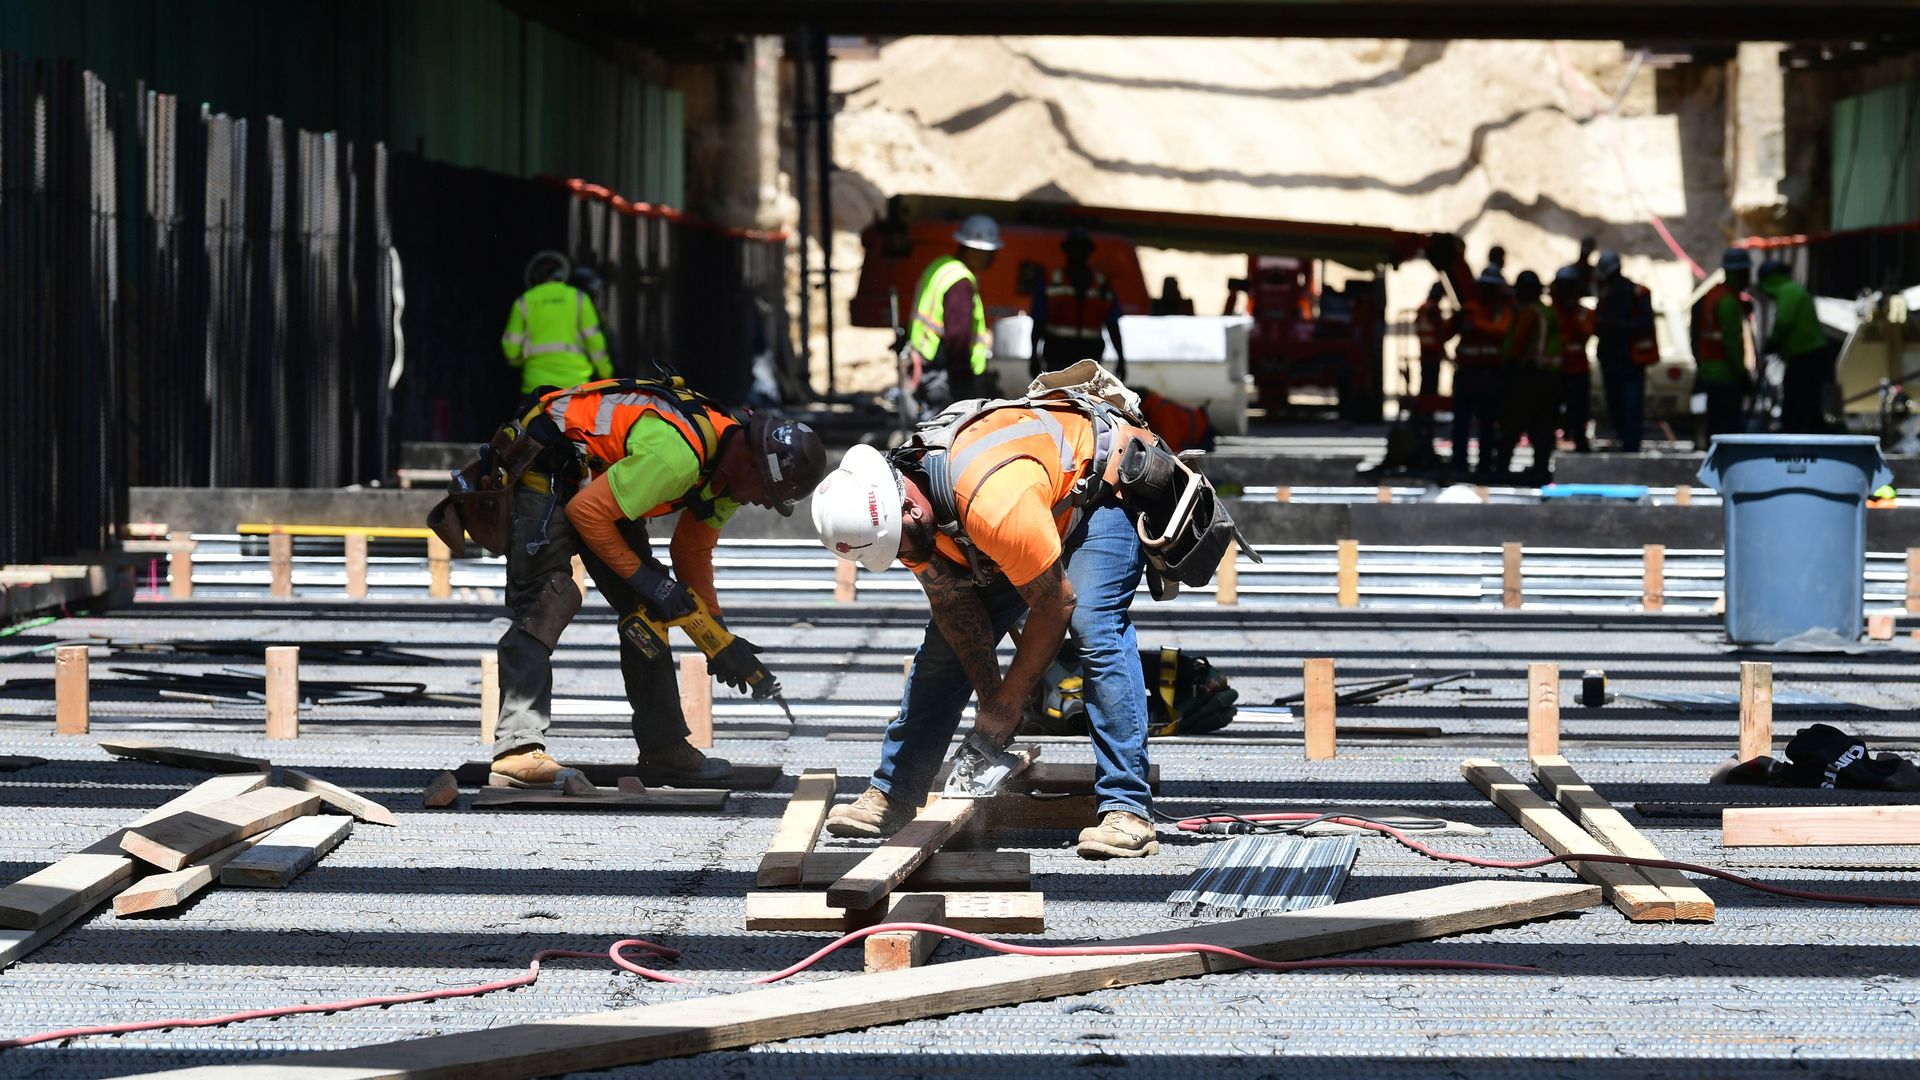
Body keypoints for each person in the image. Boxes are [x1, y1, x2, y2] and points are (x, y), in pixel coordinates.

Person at [810, 401, 1160, 859]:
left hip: (1094, 500)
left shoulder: (993, 505)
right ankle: (895, 792)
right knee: (941, 651)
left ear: (911, 509)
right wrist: (993, 703)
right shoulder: (901, 515)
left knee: (1094, 624)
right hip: (1023, 525)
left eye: (899, 548)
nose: (902, 558)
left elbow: (1055, 605)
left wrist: (1009, 702)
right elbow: (954, 607)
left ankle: (1127, 809)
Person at [484, 378, 826, 789]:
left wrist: (717, 637)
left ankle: (664, 749)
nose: (760, 502)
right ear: (752, 464)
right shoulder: (676, 458)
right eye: (766, 493)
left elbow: (692, 552)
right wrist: (651, 581)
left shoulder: (731, 472)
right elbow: (585, 513)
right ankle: (517, 749)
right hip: (546, 469)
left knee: (648, 613)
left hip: (600, 480)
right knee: (549, 600)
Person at [908, 215, 1000, 408]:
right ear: (972, 249)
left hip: (927, 365)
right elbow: (958, 338)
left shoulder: (942, 266)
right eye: (988, 252)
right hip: (946, 375)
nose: (992, 258)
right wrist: (963, 386)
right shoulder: (960, 282)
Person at [502, 251, 612, 395]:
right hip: (576, 384)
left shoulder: (523, 302)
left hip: (537, 385)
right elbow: (595, 343)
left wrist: (520, 362)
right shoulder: (579, 298)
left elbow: (511, 350)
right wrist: (606, 374)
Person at [1494, 271, 1561, 485]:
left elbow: (1516, 346)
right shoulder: (1547, 311)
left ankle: (1503, 468)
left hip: (1528, 376)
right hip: (1546, 378)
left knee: (1514, 424)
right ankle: (1540, 467)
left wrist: (1505, 367)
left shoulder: (1529, 313)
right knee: (1541, 426)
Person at [1031, 228, 1126, 380]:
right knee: (1058, 401)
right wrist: (1033, 355)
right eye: (1073, 249)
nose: (1078, 254)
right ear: (1066, 252)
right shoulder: (1051, 282)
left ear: (1088, 253)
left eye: (1082, 250)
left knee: (1086, 402)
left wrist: (1121, 358)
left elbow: (1112, 325)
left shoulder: (1102, 286)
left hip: (1089, 360)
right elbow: (1038, 321)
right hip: (1058, 357)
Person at [1756, 259, 1834, 433]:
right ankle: (1808, 432)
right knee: (1807, 400)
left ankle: (1794, 435)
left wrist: (1771, 343)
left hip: (1806, 355)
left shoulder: (1788, 291)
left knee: (1796, 398)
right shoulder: (1793, 289)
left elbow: (1784, 321)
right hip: (1809, 354)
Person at [1450, 265, 1513, 476]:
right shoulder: (1468, 309)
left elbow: (1503, 332)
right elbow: (1446, 333)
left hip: (1491, 374)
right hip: (1467, 374)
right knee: (1461, 423)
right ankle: (1459, 463)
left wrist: (1477, 324)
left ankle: (1485, 464)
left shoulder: (1501, 312)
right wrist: (1457, 320)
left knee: (1488, 423)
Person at [1593, 251, 1658, 452]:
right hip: (1610, 359)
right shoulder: (1605, 295)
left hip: (1630, 360)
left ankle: (1632, 444)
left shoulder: (1636, 293)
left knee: (1631, 405)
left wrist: (1617, 326)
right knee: (1615, 405)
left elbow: (1647, 323)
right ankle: (1623, 437)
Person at [1693, 249, 1754, 438]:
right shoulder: (1728, 302)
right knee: (1728, 428)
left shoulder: (1713, 296)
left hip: (1710, 371)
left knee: (1716, 425)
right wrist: (1742, 375)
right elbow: (1731, 344)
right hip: (1726, 375)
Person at [1550, 267, 1596, 452]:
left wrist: (1572, 316)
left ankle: (1580, 440)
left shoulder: (1584, 313)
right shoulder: (1550, 312)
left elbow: (1586, 333)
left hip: (1578, 369)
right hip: (1554, 368)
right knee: (1551, 409)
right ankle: (1547, 442)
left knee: (1578, 409)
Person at [1413, 282, 1453, 399]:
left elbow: (1418, 327)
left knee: (1425, 380)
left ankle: (1423, 408)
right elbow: (1438, 333)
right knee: (1431, 382)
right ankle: (1428, 408)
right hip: (1433, 351)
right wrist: (1443, 351)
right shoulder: (1434, 309)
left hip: (1424, 349)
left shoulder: (1422, 307)